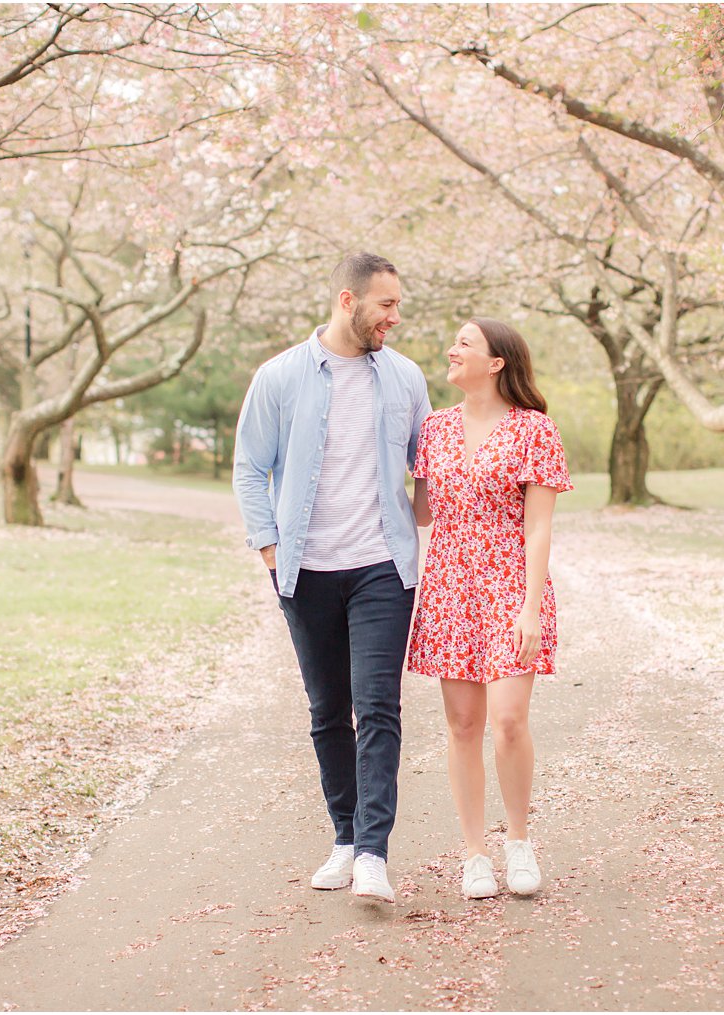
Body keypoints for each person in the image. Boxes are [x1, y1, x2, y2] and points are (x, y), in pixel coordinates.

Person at [232, 252, 431, 904]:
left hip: (381, 566)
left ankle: (373, 852)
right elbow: (249, 467)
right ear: (348, 301)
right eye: (386, 305)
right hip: (305, 570)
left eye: (398, 305)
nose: (395, 317)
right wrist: (269, 549)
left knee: (377, 706)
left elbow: (427, 467)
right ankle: (344, 837)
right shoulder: (282, 376)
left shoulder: (405, 378)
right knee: (327, 711)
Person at [407, 317, 572, 900]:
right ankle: (474, 854)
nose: (451, 350)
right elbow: (422, 514)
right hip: (450, 585)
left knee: (507, 720)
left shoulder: (535, 430)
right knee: (462, 724)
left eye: (464, 343)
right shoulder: (434, 429)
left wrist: (531, 608)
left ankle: (519, 842)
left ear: (496, 362)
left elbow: (539, 526)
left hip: (509, 585)